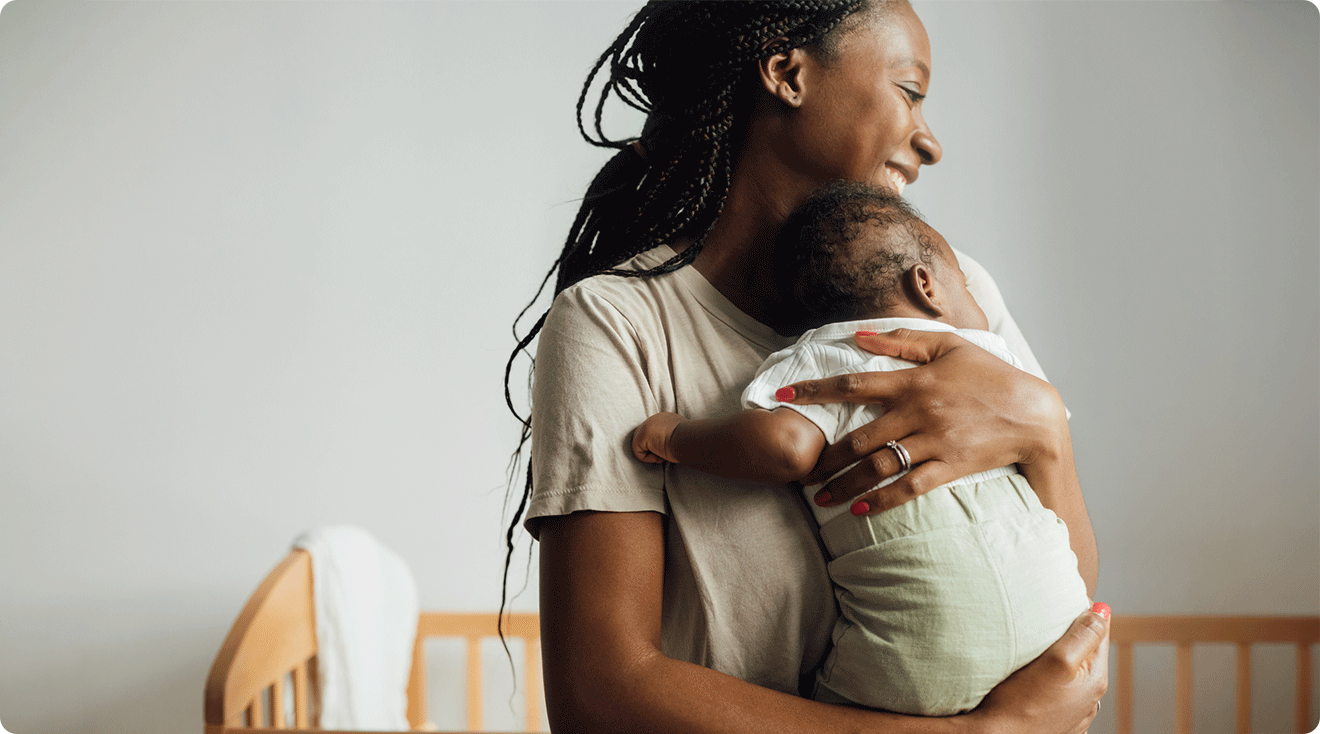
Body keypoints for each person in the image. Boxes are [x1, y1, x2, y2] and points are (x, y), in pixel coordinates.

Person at [504, 2, 1110, 732]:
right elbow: (601, 692)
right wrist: (984, 733)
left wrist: (1046, 430)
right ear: (788, 74)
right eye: (910, 91)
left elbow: (1055, 592)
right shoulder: (620, 324)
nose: (931, 140)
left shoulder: (955, 294)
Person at [630, 181, 1097, 716]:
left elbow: (783, 446)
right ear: (928, 287)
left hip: (924, 650)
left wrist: (674, 437)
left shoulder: (824, 361)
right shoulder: (997, 362)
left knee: (836, 710)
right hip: (1057, 624)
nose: (975, 297)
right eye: (963, 284)